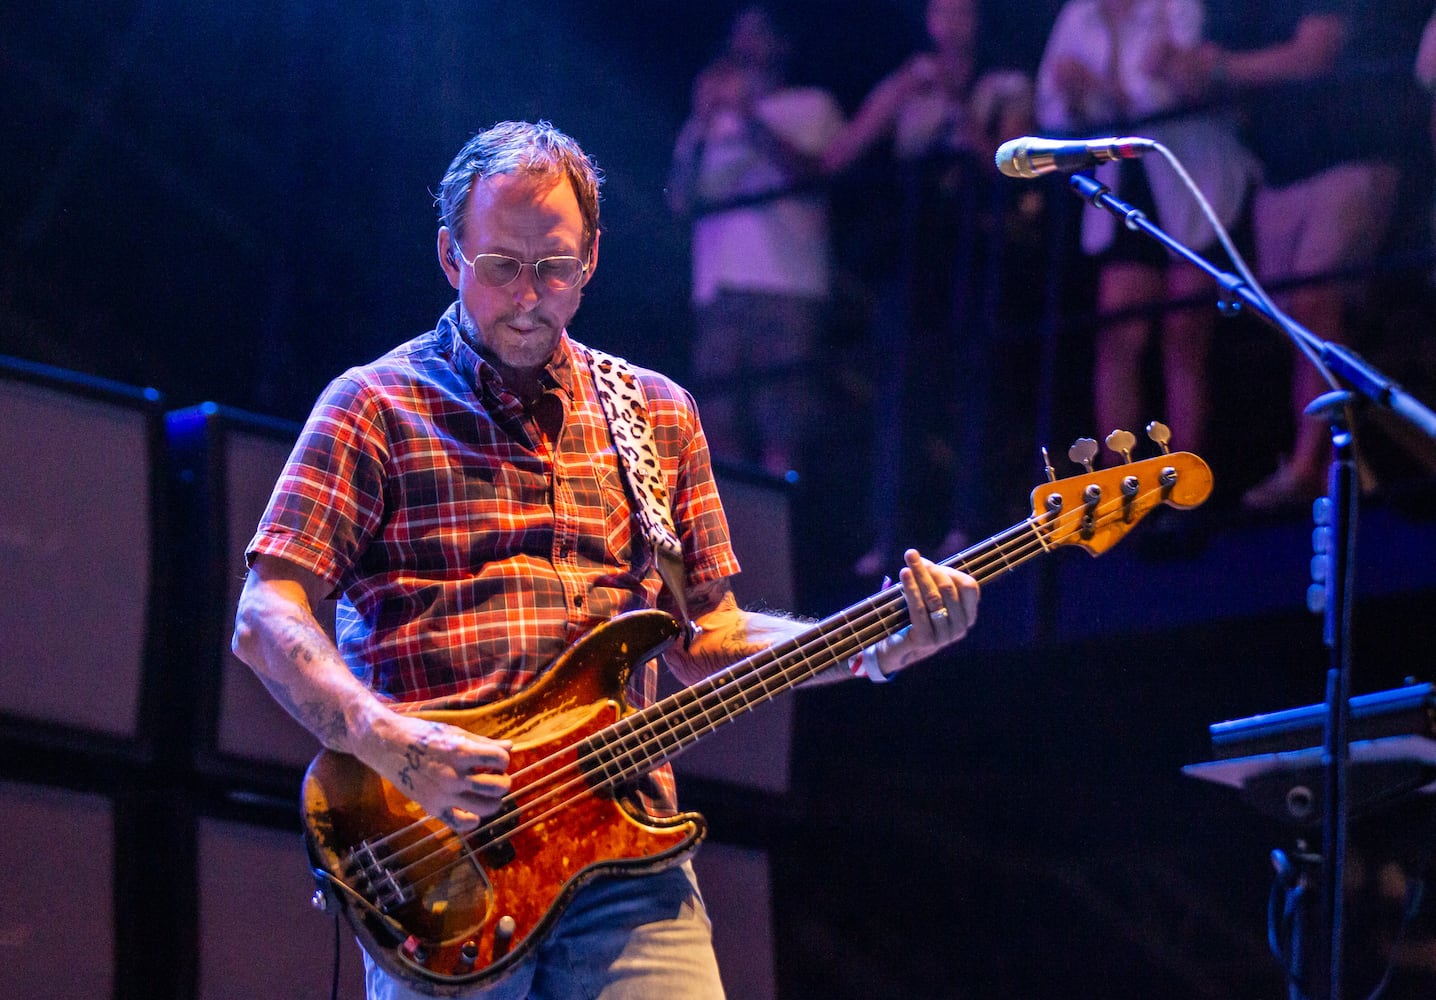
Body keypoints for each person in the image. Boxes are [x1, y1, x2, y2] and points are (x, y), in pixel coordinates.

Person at [230, 120, 980, 1000]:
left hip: (628, 849)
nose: (528, 296)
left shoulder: (656, 414)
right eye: (501, 266)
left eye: (555, 269)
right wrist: (385, 740)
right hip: (445, 855)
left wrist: (871, 645)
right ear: (448, 256)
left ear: (591, 259)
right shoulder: (373, 406)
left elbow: (706, 639)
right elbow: (266, 614)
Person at [1170, 0, 1425, 509]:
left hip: (1352, 146)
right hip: (1278, 166)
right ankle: (1344, 461)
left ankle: (1316, 465)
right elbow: (1207, 72)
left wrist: (1217, 67)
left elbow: (1315, 52)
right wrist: (1179, 70)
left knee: (1314, 295)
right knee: (1293, 321)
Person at [820, 0, 1035, 576]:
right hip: (913, 252)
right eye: (941, 10)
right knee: (897, 394)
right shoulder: (907, 82)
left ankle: (969, 525)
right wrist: (898, 95)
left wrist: (959, 106)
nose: (951, 21)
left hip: (974, 248)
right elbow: (842, 155)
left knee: (971, 388)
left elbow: (1009, 171)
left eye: (962, 10)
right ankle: (889, 538)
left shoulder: (1005, 85)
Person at [1034, 0, 1259, 466]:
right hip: (1126, 183)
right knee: (1118, 336)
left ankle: (1187, 488)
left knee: (1184, 334)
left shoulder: (1180, 7)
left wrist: (1098, 91)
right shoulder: (1080, 14)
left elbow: (1170, 94)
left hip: (1194, 179)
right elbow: (1050, 108)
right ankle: (1125, 488)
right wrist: (1077, 99)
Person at [667, 6, 846, 478]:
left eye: (758, 34)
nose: (745, 45)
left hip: (787, 289)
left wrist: (749, 120)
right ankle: (726, 537)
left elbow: (816, 174)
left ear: (782, 45)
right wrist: (704, 120)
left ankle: (781, 540)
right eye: (739, 34)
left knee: (781, 429)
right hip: (718, 291)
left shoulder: (813, 105)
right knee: (717, 429)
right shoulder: (710, 120)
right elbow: (681, 199)